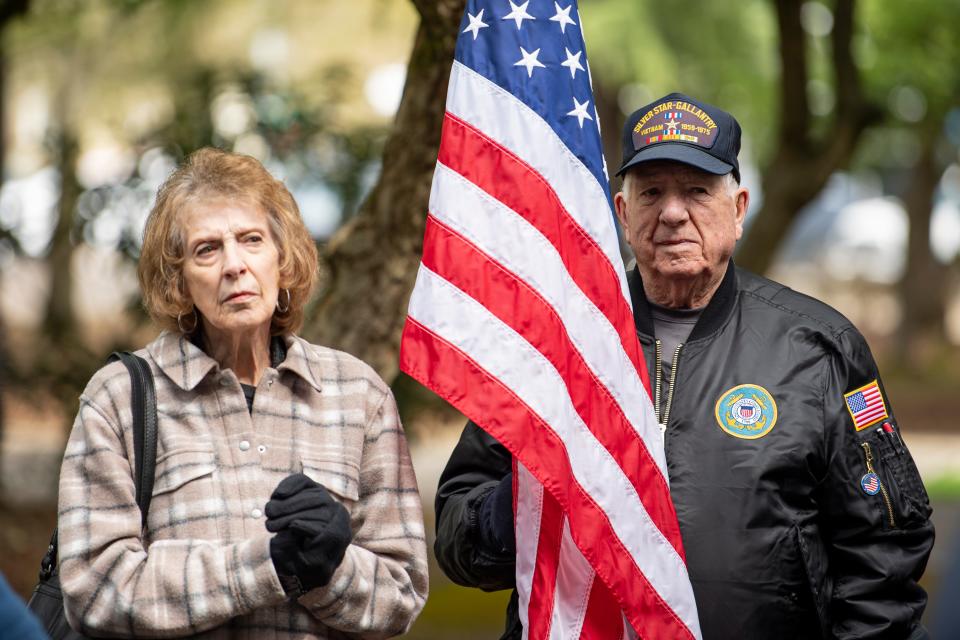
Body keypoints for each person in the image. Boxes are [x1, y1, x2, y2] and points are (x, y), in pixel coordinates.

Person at [434, 93, 934, 639]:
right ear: (624, 214)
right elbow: (458, 543)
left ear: (739, 209)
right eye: (651, 192)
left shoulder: (818, 347)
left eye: (696, 190)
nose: (672, 212)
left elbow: (884, 555)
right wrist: (529, 501)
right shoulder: (553, 348)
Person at [57, 148, 428, 638]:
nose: (234, 265)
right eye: (206, 249)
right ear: (180, 281)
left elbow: (402, 595)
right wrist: (270, 567)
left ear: (282, 257)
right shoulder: (118, 399)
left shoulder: (359, 394)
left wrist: (329, 569)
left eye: (251, 240)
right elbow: (95, 590)